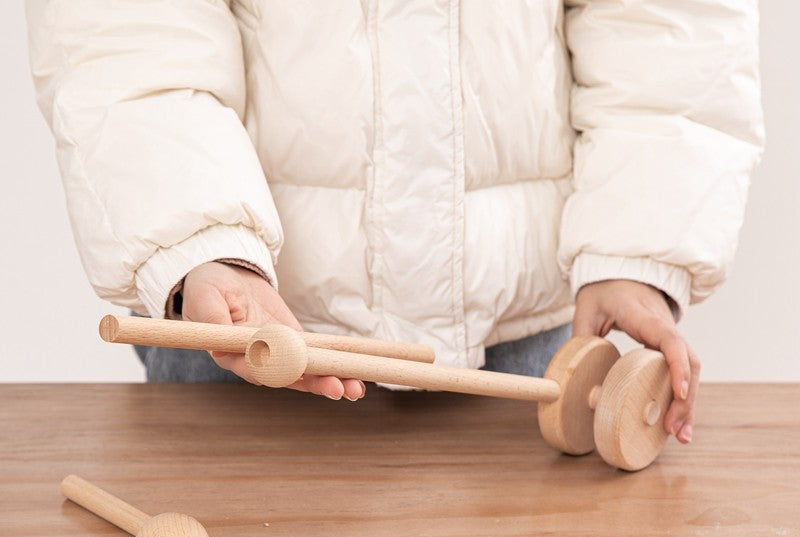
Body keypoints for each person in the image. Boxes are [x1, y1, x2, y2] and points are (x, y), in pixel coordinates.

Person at [27, 1, 764, 446]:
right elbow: (124, 31)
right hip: (244, 326)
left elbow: (668, 26)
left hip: (536, 336)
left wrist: (635, 250)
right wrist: (199, 244)